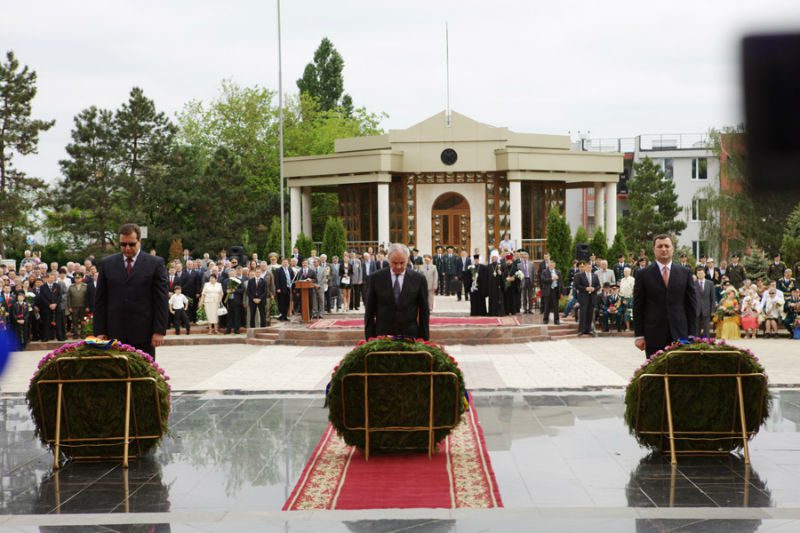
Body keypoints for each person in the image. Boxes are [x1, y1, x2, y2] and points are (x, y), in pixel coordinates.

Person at [94, 223, 169, 358]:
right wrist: (100, 331)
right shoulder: (107, 264)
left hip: (144, 333)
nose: (127, 248)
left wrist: (159, 330)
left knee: (143, 370)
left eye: (132, 244)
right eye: (123, 244)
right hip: (114, 333)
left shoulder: (155, 264)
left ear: (139, 241)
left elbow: (161, 300)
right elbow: (100, 300)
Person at [633, 234, 697, 358]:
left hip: (680, 334)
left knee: (679, 369)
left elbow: (691, 305)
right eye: (660, 246)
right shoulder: (643, 274)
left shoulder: (685, 273)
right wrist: (639, 335)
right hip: (653, 334)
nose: (664, 249)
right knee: (655, 369)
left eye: (667, 246)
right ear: (654, 249)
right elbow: (638, 306)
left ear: (673, 248)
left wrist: (692, 334)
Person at [364, 243, 430, 340]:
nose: (398, 266)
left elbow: (424, 311)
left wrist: (424, 338)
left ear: (407, 259)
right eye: (394, 263)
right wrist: (370, 338)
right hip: (383, 336)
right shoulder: (376, 278)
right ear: (388, 259)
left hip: (410, 336)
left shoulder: (419, 279)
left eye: (402, 263)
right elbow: (369, 311)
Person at [575, 261, 600, 336]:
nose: (589, 268)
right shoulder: (579, 275)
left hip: (592, 297)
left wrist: (594, 289)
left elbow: (598, 285)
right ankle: (581, 330)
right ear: (585, 267)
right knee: (583, 314)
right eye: (587, 267)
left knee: (590, 314)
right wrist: (585, 288)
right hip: (583, 297)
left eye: (590, 267)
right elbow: (577, 285)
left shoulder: (595, 275)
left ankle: (588, 330)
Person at [695, 267, 716, 338]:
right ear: (696, 274)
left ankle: (706, 341)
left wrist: (713, 310)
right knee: (696, 327)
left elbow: (713, 298)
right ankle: (696, 340)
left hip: (707, 308)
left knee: (706, 327)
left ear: (704, 274)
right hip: (696, 309)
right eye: (698, 273)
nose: (700, 275)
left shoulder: (710, 283)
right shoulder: (693, 283)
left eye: (701, 273)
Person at [67, 272, 89, 339]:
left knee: (83, 321)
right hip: (74, 306)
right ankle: (75, 334)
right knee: (75, 321)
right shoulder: (71, 287)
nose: (77, 279)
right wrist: (69, 307)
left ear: (82, 278)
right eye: (76, 278)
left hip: (83, 306)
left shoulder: (86, 286)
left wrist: (87, 306)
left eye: (79, 278)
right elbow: (68, 297)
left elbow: (88, 297)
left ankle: (83, 334)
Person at [540, 259, 562, 325]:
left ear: (555, 265)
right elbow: (543, 280)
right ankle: (545, 320)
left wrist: (561, 292)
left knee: (556, 306)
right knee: (547, 306)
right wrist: (552, 279)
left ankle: (557, 320)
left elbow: (561, 283)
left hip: (555, 290)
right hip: (548, 291)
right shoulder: (544, 272)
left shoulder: (558, 272)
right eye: (550, 265)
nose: (551, 266)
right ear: (548, 265)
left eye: (553, 265)